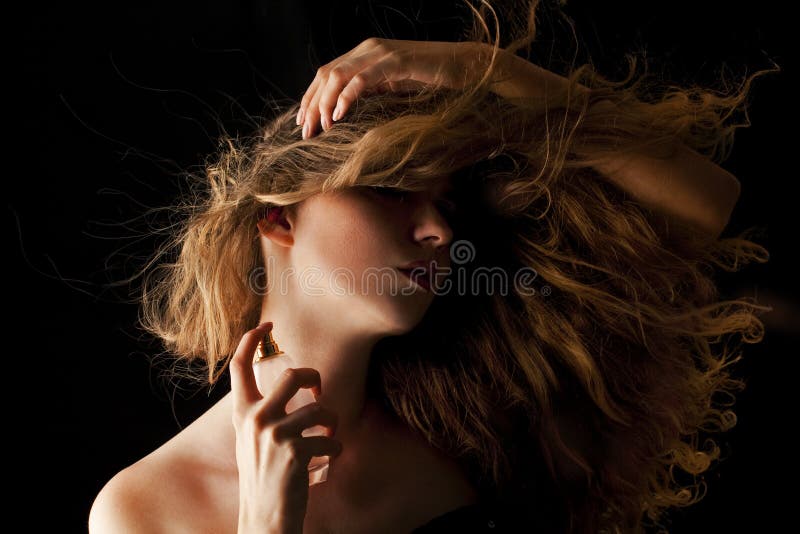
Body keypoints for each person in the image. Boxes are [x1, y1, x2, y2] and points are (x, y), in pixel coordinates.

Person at [88, 1, 774, 532]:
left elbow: (707, 205)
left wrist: (491, 71)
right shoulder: (141, 510)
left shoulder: (472, 425)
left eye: (446, 202)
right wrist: (268, 521)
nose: (439, 230)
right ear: (277, 215)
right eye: (390, 190)